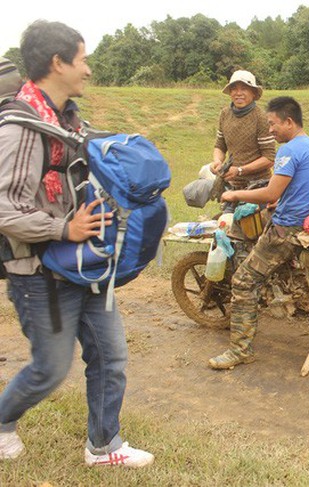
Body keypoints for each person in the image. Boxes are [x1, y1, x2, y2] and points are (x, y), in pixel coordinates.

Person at [0, 21, 153, 467]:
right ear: (58, 63)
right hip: (40, 272)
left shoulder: (65, 119)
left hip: (86, 264)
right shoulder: (20, 128)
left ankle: (103, 446)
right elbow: (4, 209)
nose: (88, 70)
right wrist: (63, 229)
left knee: (111, 356)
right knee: (49, 368)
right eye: (82, 59)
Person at [208, 96, 309, 370]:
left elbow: (271, 192)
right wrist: (280, 200)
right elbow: (301, 185)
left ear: (289, 122)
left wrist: (236, 192)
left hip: (287, 227)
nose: (270, 130)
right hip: (307, 217)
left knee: (242, 281)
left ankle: (240, 350)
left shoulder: (289, 151)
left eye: (273, 124)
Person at [211, 70, 275, 189]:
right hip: (232, 182)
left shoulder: (261, 118)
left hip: (259, 184)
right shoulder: (225, 114)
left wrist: (240, 170)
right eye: (234, 89)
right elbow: (220, 145)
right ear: (230, 92)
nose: (238, 93)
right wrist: (217, 161)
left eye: (244, 89)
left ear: (254, 93)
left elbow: (269, 158)